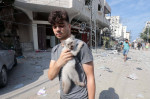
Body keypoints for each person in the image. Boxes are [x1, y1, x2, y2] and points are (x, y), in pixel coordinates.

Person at [48, 10, 95, 99]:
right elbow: (50, 76)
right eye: (54, 27)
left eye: (61, 26)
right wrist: (59, 63)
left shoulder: (81, 46)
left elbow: (90, 76)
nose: (57, 29)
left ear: (69, 26)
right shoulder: (55, 49)